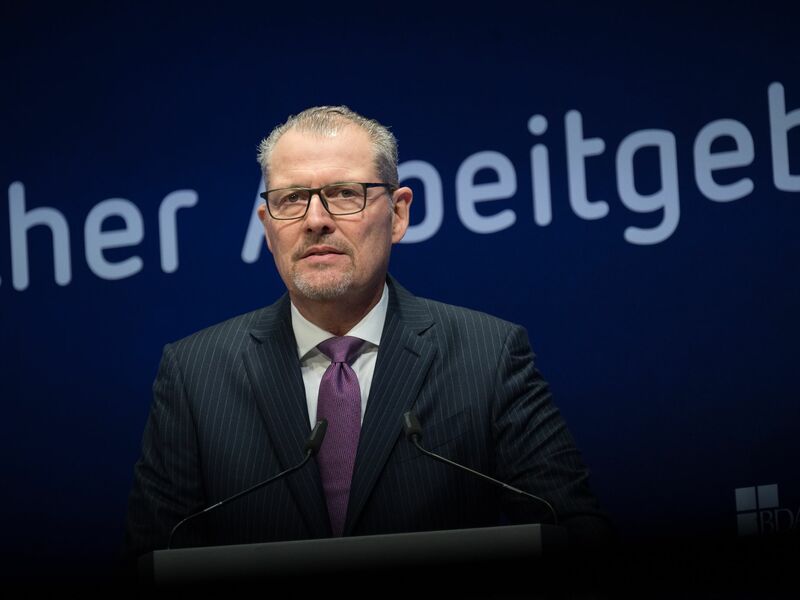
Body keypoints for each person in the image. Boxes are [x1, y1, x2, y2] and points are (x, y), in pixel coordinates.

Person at [124, 105, 612, 563]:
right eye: (292, 199)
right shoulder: (194, 375)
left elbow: (574, 530)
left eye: (344, 193)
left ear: (398, 214)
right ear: (267, 227)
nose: (316, 220)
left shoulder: (489, 355)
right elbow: (150, 562)